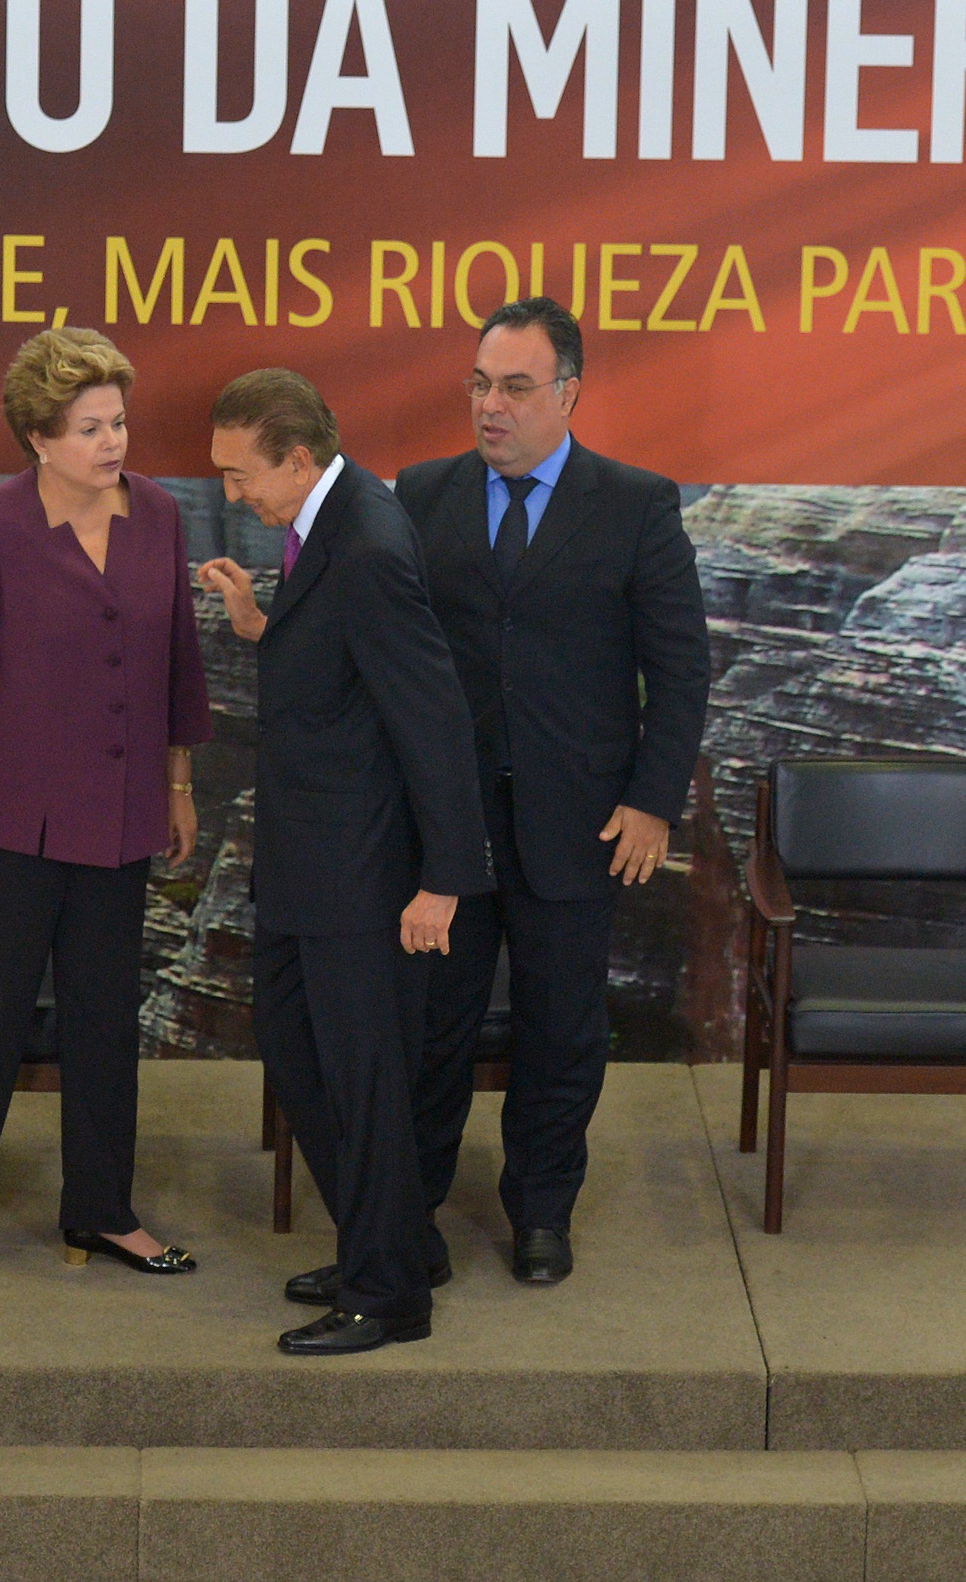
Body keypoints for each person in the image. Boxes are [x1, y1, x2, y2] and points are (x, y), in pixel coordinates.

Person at [394, 298, 711, 1285]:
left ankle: (540, 1213)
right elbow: (384, 648)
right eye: (480, 384)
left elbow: (682, 666)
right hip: (447, 830)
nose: (492, 406)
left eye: (516, 388)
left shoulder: (637, 504)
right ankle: (410, 1212)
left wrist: (655, 799)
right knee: (432, 1025)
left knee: (561, 1028)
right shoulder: (420, 494)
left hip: (582, 824)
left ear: (569, 394)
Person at [198, 369, 492, 1354]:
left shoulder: (367, 543)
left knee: (360, 1078)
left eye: (242, 476)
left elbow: (433, 717)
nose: (232, 494)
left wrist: (444, 879)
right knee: (296, 1046)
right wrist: (262, 629)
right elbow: (344, 670)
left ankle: (388, 1294)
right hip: (309, 861)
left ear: (296, 456)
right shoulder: (332, 519)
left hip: (362, 874)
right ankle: (396, 1239)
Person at [0, 327, 212, 1284]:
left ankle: (102, 1209)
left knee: (105, 1021)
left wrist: (177, 784)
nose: (114, 443)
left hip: (120, 819)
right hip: (6, 830)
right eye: (90, 428)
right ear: (39, 439)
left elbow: (176, 666)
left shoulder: (160, 515)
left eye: (119, 422)